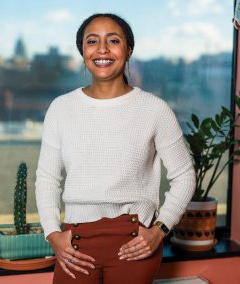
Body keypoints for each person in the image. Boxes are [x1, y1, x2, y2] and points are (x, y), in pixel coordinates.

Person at [35, 13, 196, 284]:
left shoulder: (155, 109)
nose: (102, 49)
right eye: (92, 41)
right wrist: (53, 233)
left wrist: (159, 231)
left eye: (113, 40)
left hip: (134, 241)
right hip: (75, 241)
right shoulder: (61, 108)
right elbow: (47, 178)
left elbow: (184, 175)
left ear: (128, 49)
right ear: (83, 51)